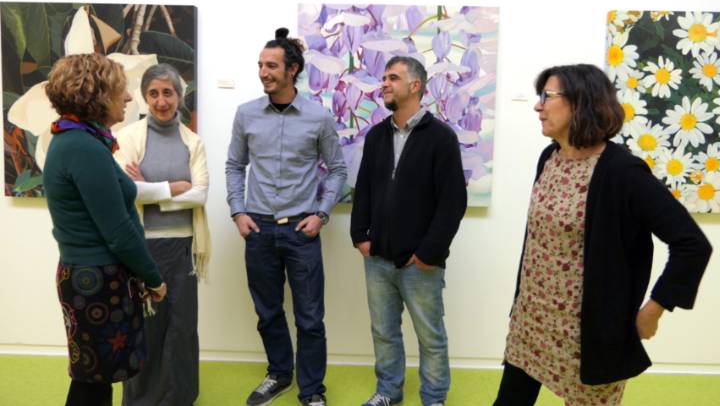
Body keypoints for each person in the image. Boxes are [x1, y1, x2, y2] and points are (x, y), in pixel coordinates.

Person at [492, 64, 713, 406]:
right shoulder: (550, 158)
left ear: (580, 102)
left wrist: (654, 309)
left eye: (547, 96)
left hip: (587, 337)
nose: (538, 106)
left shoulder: (622, 172)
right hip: (531, 321)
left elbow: (692, 244)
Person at [225, 28, 347, 406]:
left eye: (272, 66)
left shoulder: (318, 117)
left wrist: (321, 214)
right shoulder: (246, 114)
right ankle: (279, 374)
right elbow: (234, 165)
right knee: (267, 312)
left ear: (292, 70)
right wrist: (238, 211)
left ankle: (311, 390)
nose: (263, 72)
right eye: (261, 65)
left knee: (310, 317)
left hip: (301, 230)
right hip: (258, 229)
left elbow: (338, 170)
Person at [42, 53, 167, 406]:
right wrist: (153, 278)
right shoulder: (83, 147)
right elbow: (118, 231)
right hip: (96, 280)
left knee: (94, 380)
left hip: (92, 278)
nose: (127, 98)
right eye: (120, 90)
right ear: (96, 95)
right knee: (93, 383)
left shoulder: (77, 141)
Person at [350, 55, 468, 406]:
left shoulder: (441, 137)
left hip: (421, 263)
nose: (384, 83)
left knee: (430, 337)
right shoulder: (376, 135)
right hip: (378, 259)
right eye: (384, 78)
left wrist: (429, 253)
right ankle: (388, 392)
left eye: (393, 78)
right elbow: (364, 189)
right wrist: (360, 237)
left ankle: (433, 398)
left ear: (415, 86)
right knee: (383, 332)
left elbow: (452, 203)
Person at [114, 63, 211, 406]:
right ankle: (142, 400)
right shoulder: (128, 138)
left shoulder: (192, 142)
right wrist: (174, 188)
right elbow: (127, 191)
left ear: (179, 96)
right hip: (142, 248)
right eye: (153, 93)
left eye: (168, 93)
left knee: (182, 328)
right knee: (147, 327)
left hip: (184, 248)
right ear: (144, 97)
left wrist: (152, 188)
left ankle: (180, 397)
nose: (161, 101)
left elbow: (200, 195)